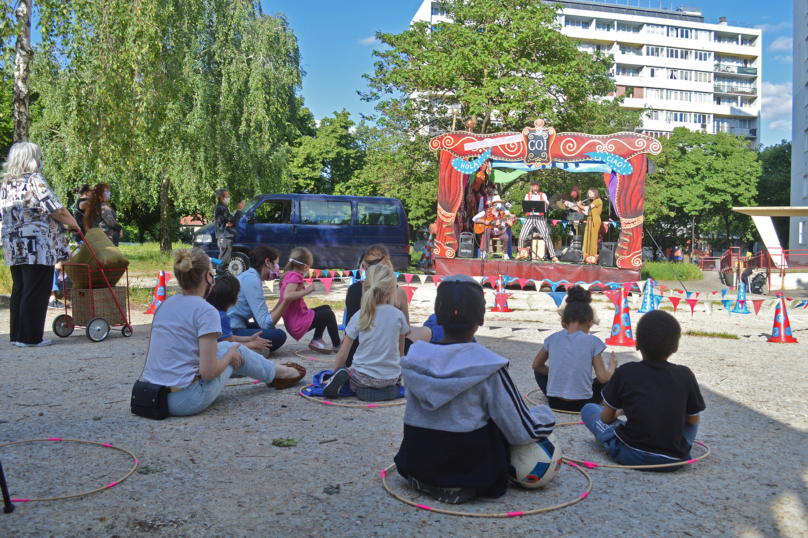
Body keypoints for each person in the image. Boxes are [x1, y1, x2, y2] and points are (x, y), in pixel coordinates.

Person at [394, 275, 556, 504]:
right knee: (500, 421)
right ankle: (455, 483)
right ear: (481, 318)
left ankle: (427, 479)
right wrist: (545, 415)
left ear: (437, 318)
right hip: (468, 475)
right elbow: (521, 429)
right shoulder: (489, 366)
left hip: (415, 466)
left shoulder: (415, 358)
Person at [142, 249, 306, 417]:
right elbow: (209, 372)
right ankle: (280, 374)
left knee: (228, 345)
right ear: (207, 277)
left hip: (152, 395)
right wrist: (230, 357)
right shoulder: (206, 310)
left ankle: (274, 372)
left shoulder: (164, 305)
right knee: (234, 349)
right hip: (185, 400)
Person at [580, 310, 706, 471]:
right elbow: (692, 421)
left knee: (588, 409)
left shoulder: (626, 371)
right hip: (673, 460)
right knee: (695, 413)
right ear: (675, 347)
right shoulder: (685, 374)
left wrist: (620, 411)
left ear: (637, 344)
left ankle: (609, 441)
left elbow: (605, 418)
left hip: (630, 454)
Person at [1, 142, 79, 347]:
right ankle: (31, 338)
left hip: (13, 244)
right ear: (30, 160)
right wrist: (74, 224)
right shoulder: (35, 179)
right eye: (38, 157)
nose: (39, 161)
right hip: (36, 245)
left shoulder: (6, 183)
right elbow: (57, 210)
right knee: (36, 289)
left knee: (20, 288)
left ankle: (17, 336)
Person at [324, 264, 410, 401]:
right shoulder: (399, 316)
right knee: (389, 375)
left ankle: (344, 381)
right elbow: (401, 355)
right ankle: (388, 389)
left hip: (361, 379)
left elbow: (342, 354)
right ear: (392, 290)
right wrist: (399, 377)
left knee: (350, 370)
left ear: (366, 287)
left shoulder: (360, 315)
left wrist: (334, 374)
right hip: (390, 378)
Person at [344, 244, 432, 367]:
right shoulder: (398, 292)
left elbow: (348, 329)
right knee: (426, 331)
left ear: (364, 266)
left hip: (353, 359)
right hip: (388, 360)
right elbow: (405, 332)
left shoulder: (351, 290)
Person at [532, 286, 617, 412]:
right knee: (613, 376)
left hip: (555, 402)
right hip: (584, 404)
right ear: (589, 322)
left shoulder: (552, 339)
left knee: (539, 372)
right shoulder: (593, 341)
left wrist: (559, 373)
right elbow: (603, 378)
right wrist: (612, 367)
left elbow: (536, 366)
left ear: (563, 322)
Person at [228, 246, 290, 353]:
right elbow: (265, 324)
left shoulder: (250, 277)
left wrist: (282, 298)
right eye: (275, 264)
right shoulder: (251, 279)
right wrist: (286, 300)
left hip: (235, 327)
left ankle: (252, 347)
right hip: (232, 331)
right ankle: (250, 348)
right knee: (279, 335)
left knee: (270, 331)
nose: (277, 268)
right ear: (267, 262)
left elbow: (261, 321)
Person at [280, 246, 341, 354]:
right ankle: (337, 345)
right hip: (296, 323)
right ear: (304, 267)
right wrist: (307, 291)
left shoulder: (290, 274)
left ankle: (317, 338)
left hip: (295, 318)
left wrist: (299, 292)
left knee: (326, 308)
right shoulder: (295, 276)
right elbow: (287, 296)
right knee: (328, 315)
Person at [206, 275, 273, 355]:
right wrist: (253, 345)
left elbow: (226, 337)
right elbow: (231, 345)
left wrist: (249, 339)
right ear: (231, 298)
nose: (239, 296)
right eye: (238, 293)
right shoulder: (223, 317)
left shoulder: (213, 312)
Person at [518, 179, 558, 262]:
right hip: (530, 217)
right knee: (522, 236)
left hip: (539, 217)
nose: (535, 188)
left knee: (546, 236)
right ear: (531, 187)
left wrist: (544, 201)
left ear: (539, 187)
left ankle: (553, 256)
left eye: (537, 186)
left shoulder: (542, 195)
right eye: (534, 186)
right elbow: (525, 206)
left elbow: (547, 205)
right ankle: (520, 253)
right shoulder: (528, 195)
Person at [472, 195, 514, 260]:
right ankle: (485, 252)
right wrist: (484, 221)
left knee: (506, 237)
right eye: (498, 202)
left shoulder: (503, 213)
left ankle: (505, 254)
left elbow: (501, 227)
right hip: (491, 231)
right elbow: (474, 218)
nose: (500, 204)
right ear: (494, 203)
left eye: (500, 202)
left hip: (499, 232)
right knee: (487, 230)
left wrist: (499, 225)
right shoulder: (486, 211)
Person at [214, 188, 245, 276]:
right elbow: (233, 220)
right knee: (225, 259)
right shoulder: (222, 208)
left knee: (223, 257)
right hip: (225, 237)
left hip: (223, 236)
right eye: (227, 196)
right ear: (221, 197)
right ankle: (221, 278)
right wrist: (239, 209)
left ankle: (220, 276)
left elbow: (232, 221)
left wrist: (231, 222)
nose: (229, 197)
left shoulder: (221, 207)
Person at [579, 188, 603, 259]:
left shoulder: (598, 201)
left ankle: (593, 257)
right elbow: (587, 213)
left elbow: (588, 208)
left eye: (590, 193)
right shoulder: (592, 202)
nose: (589, 195)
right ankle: (586, 257)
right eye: (588, 193)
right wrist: (579, 209)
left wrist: (579, 205)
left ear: (595, 193)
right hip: (589, 220)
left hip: (595, 220)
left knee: (593, 238)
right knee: (587, 238)